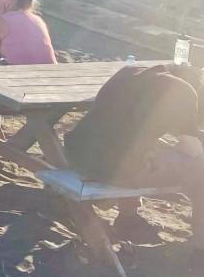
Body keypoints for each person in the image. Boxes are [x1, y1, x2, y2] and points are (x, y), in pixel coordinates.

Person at [64, 63, 204, 251]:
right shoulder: (184, 91)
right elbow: (193, 151)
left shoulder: (131, 71)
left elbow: (128, 128)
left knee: (136, 148)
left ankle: (128, 218)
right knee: (199, 169)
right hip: (108, 168)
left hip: (77, 153)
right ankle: (200, 243)